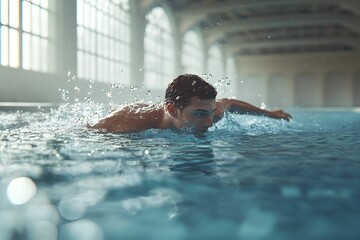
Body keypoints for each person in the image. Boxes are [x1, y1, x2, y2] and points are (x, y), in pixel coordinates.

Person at [88, 74, 292, 134]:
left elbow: (229, 103)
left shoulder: (210, 112)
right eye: (201, 115)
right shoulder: (130, 122)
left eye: (211, 114)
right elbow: (91, 131)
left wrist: (269, 113)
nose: (210, 123)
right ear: (172, 110)